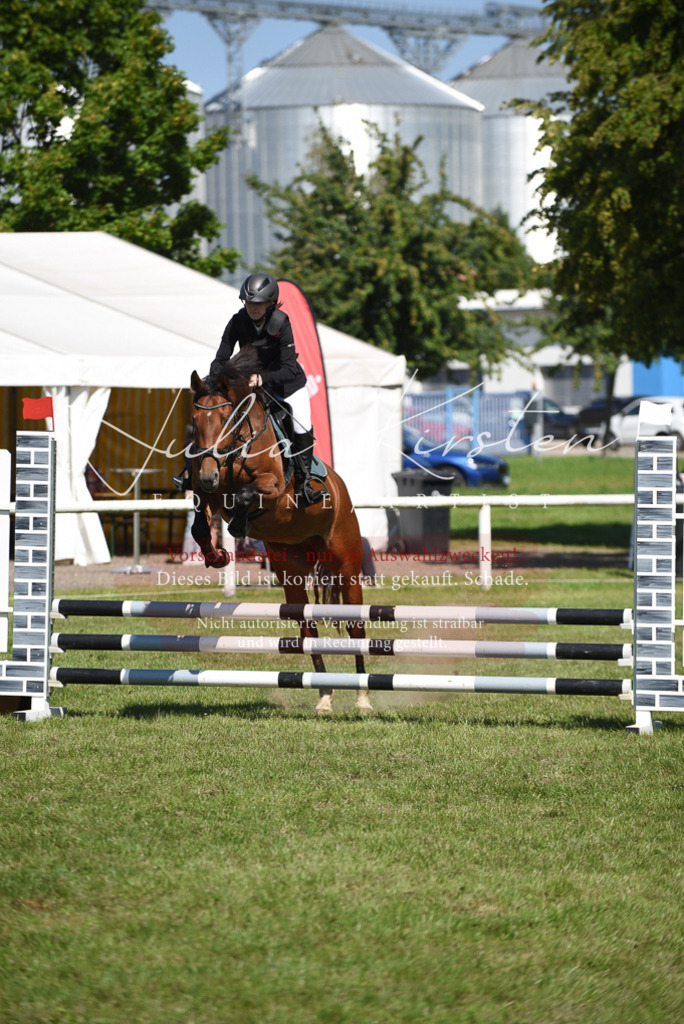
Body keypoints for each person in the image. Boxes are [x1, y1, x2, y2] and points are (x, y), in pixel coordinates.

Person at [208, 272, 328, 507]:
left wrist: (262, 378)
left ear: (270, 302)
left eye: (259, 303)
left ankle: (304, 484)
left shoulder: (281, 322)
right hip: (253, 387)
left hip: (287, 385)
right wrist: (212, 384)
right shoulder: (237, 322)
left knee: (300, 422)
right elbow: (220, 359)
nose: (253, 307)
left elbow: (289, 368)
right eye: (249, 302)